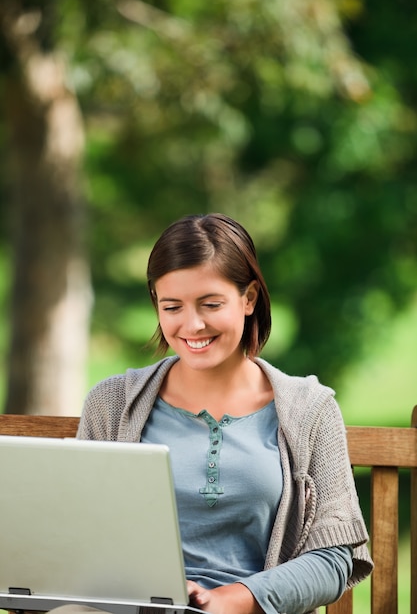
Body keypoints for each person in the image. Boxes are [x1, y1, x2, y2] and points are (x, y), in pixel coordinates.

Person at [76, 213, 373, 614]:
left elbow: (334, 559)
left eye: (211, 304)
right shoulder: (112, 403)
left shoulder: (310, 410)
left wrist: (237, 599)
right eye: (172, 306)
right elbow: (79, 536)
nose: (192, 325)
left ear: (249, 298)